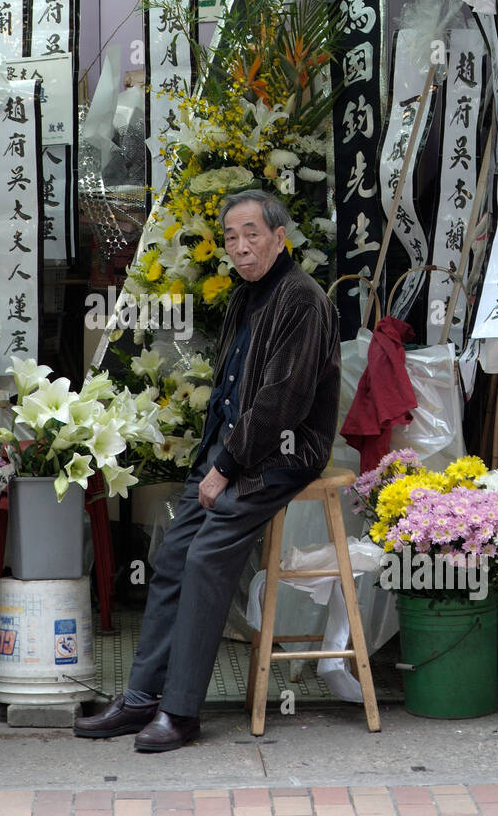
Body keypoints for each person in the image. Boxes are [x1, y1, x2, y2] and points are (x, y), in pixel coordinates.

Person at [75, 189, 342, 752]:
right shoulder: (248, 295)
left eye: (252, 235)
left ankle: (181, 711)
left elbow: (281, 406)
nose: (241, 248)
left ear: (279, 236)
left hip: (279, 455)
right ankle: (142, 696)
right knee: (172, 554)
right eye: (231, 238)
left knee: (205, 557)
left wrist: (223, 468)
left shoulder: (303, 299)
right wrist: (216, 460)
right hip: (232, 451)